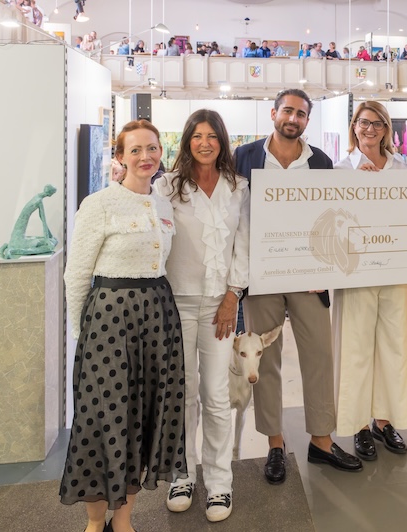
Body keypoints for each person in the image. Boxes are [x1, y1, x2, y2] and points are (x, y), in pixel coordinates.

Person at [60, 120, 186, 532]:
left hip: (158, 319)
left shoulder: (163, 205)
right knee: (104, 420)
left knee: (143, 419)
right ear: (120, 157)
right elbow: (77, 274)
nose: (145, 156)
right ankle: (95, 522)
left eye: (152, 148)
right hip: (109, 323)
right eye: (135, 150)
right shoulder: (99, 204)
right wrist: (81, 334)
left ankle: (124, 519)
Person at [234, 89, 363, 483]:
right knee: (264, 361)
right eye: (287, 111)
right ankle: (275, 444)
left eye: (301, 114)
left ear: (308, 120)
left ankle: (321, 441)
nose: (293, 118)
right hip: (262, 276)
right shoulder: (244, 157)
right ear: (273, 113)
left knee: (319, 356)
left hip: (309, 278)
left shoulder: (320, 161)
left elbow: (334, 214)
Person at [155, 110, 249, 523]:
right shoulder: (166, 187)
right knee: (183, 393)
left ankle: (219, 483)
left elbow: (244, 245)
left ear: (222, 141)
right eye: (197, 136)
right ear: (187, 141)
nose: (205, 143)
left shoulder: (238, 187)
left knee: (215, 394)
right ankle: (181, 475)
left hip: (219, 307)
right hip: (175, 303)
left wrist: (233, 295)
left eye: (212, 136)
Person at [332, 101, 407, 461]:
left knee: (394, 346)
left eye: (377, 124)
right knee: (356, 348)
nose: (370, 129)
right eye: (363, 123)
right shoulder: (340, 170)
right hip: (356, 271)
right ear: (354, 126)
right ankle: (358, 426)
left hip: (395, 268)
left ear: (386, 129)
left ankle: (385, 420)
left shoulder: (403, 168)